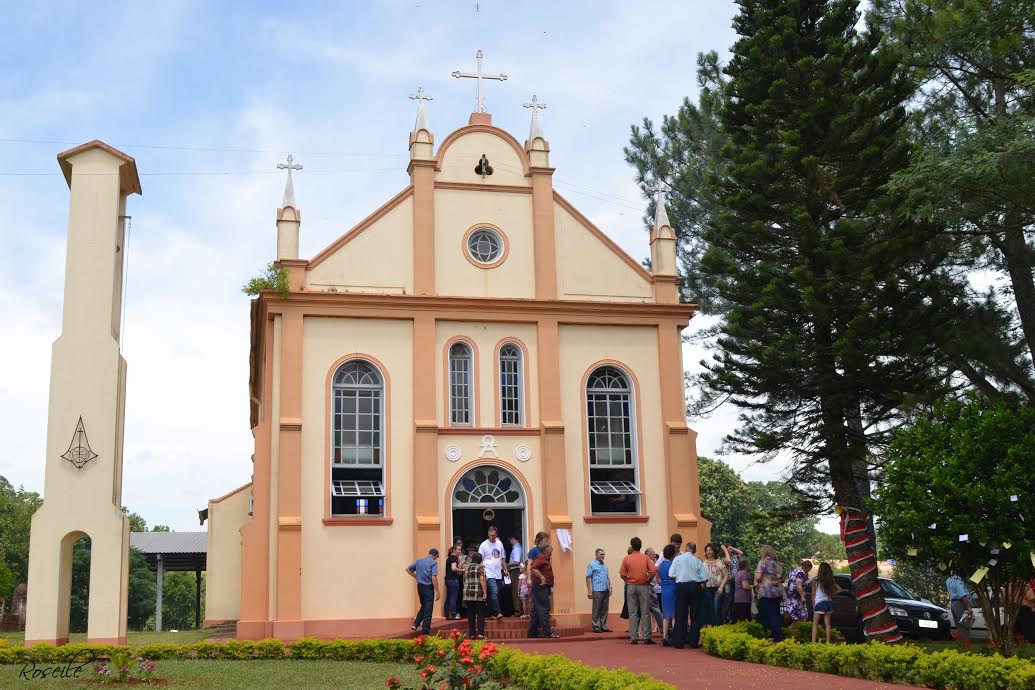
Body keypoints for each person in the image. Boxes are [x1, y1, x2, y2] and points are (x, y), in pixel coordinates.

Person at [669, 541, 709, 649]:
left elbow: (671, 574)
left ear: (686, 548)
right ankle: (693, 641)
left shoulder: (677, 559)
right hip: (695, 587)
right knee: (695, 615)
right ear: (695, 550)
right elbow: (705, 578)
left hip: (681, 586)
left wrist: (680, 576)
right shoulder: (698, 561)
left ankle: (679, 642)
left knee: (680, 614)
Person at [620, 537, 657, 645]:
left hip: (631, 586)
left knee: (632, 612)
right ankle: (647, 637)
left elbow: (622, 574)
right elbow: (653, 571)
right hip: (643, 586)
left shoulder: (627, 558)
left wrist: (628, 581)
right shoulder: (645, 558)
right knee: (645, 611)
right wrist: (648, 580)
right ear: (640, 546)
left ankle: (634, 637)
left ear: (632, 546)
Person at [405, 548, 440, 634]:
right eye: (436, 556)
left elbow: (408, 569)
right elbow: (433, 577)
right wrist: (437, 591)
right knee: (428, 610)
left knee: (424, 606)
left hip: (420, 587)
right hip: (428, 587)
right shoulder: (433, 563)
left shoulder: (419, 561)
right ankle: (425, 632)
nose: (436, 558)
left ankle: (416, 623)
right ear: (434, 555)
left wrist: (416, 576)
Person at [754, 545, 785, 641]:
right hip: (778, 592)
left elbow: (758, 577)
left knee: (765, 614)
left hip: (766, 592)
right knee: (776, 613)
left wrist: (759, 578)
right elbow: (783, 579)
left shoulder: (762, 562)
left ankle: (773, 637)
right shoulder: (779, 564)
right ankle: (777, 635)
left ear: (763, 553)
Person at [528, 544, 558, 638]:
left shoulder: (545, 558)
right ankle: (547, 633)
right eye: (550, 548)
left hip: (542, 587)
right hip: (541, 586)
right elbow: (533, 568)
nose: (552, 550)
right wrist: (542, 578)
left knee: (536, 610)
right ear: (547, 549)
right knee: (544, 609)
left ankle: (532, 633)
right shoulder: (541, 557)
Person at [810, 562, 842, 643]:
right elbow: (839, 589)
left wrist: (814, 604)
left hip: (819, 603)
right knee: (827, 624)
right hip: (828, 603)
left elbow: (813, 594)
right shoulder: (830, 581)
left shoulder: (816, 581)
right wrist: (831, 594)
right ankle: (828, 642)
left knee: (815, 624)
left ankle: (813, 643)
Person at [479, 526, 505, 620]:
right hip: (489, 573)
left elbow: (502, 558)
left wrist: (505, 570)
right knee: (494, 592)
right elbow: (480, 559)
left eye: (493, 535)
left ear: (496, 534)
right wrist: (483, 572)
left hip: (498, 573)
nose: (492, 537)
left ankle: (490, 613)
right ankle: (498, 612)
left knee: (494, 594)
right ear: (488, 534)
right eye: (490, 535)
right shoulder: (484, 545)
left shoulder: (499, 544)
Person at [585, 547, 612, 633]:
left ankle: (603, 626)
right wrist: (589, 591)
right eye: (601, 554)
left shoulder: (605, 565)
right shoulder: (592, 564)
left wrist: (610, 587)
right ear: (596, 555)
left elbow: (607, 577)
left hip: (605, 589)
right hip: (597, 590)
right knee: (596, 609)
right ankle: (596, 627)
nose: (603, 556)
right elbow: (588, 578)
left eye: (604, 554)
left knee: (604, 609)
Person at [463, 552, 488, 640]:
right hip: (478, 593)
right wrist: (485, 592)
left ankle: (472, 634)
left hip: (468, 594)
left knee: (471, 615)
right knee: (480, 614)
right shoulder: (480, 567)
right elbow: (482, 579)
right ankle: (481, 633)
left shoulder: (466, 567)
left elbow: (465, 580)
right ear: (480, 560)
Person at [701, 543, 727, 627]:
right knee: (709, 610)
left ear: (714, 551)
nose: (708, 552)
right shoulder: (703, 563)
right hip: (706, 589)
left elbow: (726, 575)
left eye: (710, 550)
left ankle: (718, 628)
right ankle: (710, 630)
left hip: (717, 589)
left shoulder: (719, 562)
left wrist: (722, 587)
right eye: (707, 550)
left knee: (716, 609)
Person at [658, 544, 677, 645]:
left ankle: (664, 637)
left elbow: (659, 579)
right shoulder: (673, 564)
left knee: (666, 615)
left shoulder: (661, 565)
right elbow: (675, 577)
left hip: (664, 590)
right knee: (674, 615)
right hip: (673, 588)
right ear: (673, 554)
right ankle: (674, 636)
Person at [946, 572, 974, 641]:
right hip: (960, 603)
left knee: (959, 625)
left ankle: (961, 642)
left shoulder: (948, 580)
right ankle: (966, 643)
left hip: (953, 603)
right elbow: (962, 594)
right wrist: (968, 607)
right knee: (964, 624)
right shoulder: (957, 580)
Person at [720, 544, 744, 623]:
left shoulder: (734, 556)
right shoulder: (723, 558)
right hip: (728, 580)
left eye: (730, 549)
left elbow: (741, 553)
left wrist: (733, 548)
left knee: (735, 599)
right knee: (728, 597)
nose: (730, 550)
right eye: (728, 549)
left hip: (736, 580)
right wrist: (726, 550)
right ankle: (726, 616)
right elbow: (728, 561)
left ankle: (733, 618)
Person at [785, 559, 813, 623]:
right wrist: (802, 596)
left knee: (796, 616)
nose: (808, 572)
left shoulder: (795, 571)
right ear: (807, 567)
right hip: (796, 597)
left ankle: (791, 630)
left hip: (791, 595)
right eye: (809, 570)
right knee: (800, 617)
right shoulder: (801, 573)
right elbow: (798, 584)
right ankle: (792, 630)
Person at [645, 547, 665, 635]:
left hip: (648, 586)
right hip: (650, 586)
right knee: (656, 608)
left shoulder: (647, 562)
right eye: (653, 554)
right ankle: (662, 627)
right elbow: (652, 574)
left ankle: (647, 630)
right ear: (649, 555)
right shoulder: (650, 562)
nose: (654, 556)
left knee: (648, 610)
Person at [444, 544, 462, 621]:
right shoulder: (454, 558)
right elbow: (454, 568)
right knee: (453, 597)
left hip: (448, 580)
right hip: (453, 580)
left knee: (448, 597)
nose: (460, 552)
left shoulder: (449, 558)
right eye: (459, 550)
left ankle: (446, 614)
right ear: (454, 550)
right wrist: (462, 570)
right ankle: (453, 614)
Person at [507, 535, 524, 616]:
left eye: (510, 539)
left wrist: (507, 564)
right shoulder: (518, 547)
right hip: (516, 570)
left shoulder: (516, 548)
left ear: (512, 538)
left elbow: (517, 561)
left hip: (515, 571)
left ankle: (518, 611)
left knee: (515, 591)